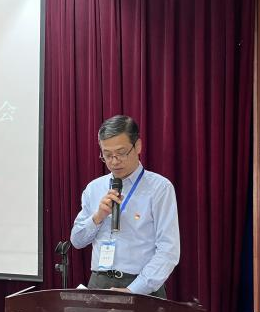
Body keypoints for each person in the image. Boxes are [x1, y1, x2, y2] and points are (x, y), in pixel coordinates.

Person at [70, 115, 180, 297]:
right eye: (107, 155)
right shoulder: (94, 188)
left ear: (138, 146)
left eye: (121, 153)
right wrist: (98, 217)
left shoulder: (159, 188)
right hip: (99, 282)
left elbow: (168, 250)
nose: (114, 161)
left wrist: (133, 290)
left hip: (141, 285)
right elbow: (77, 241)